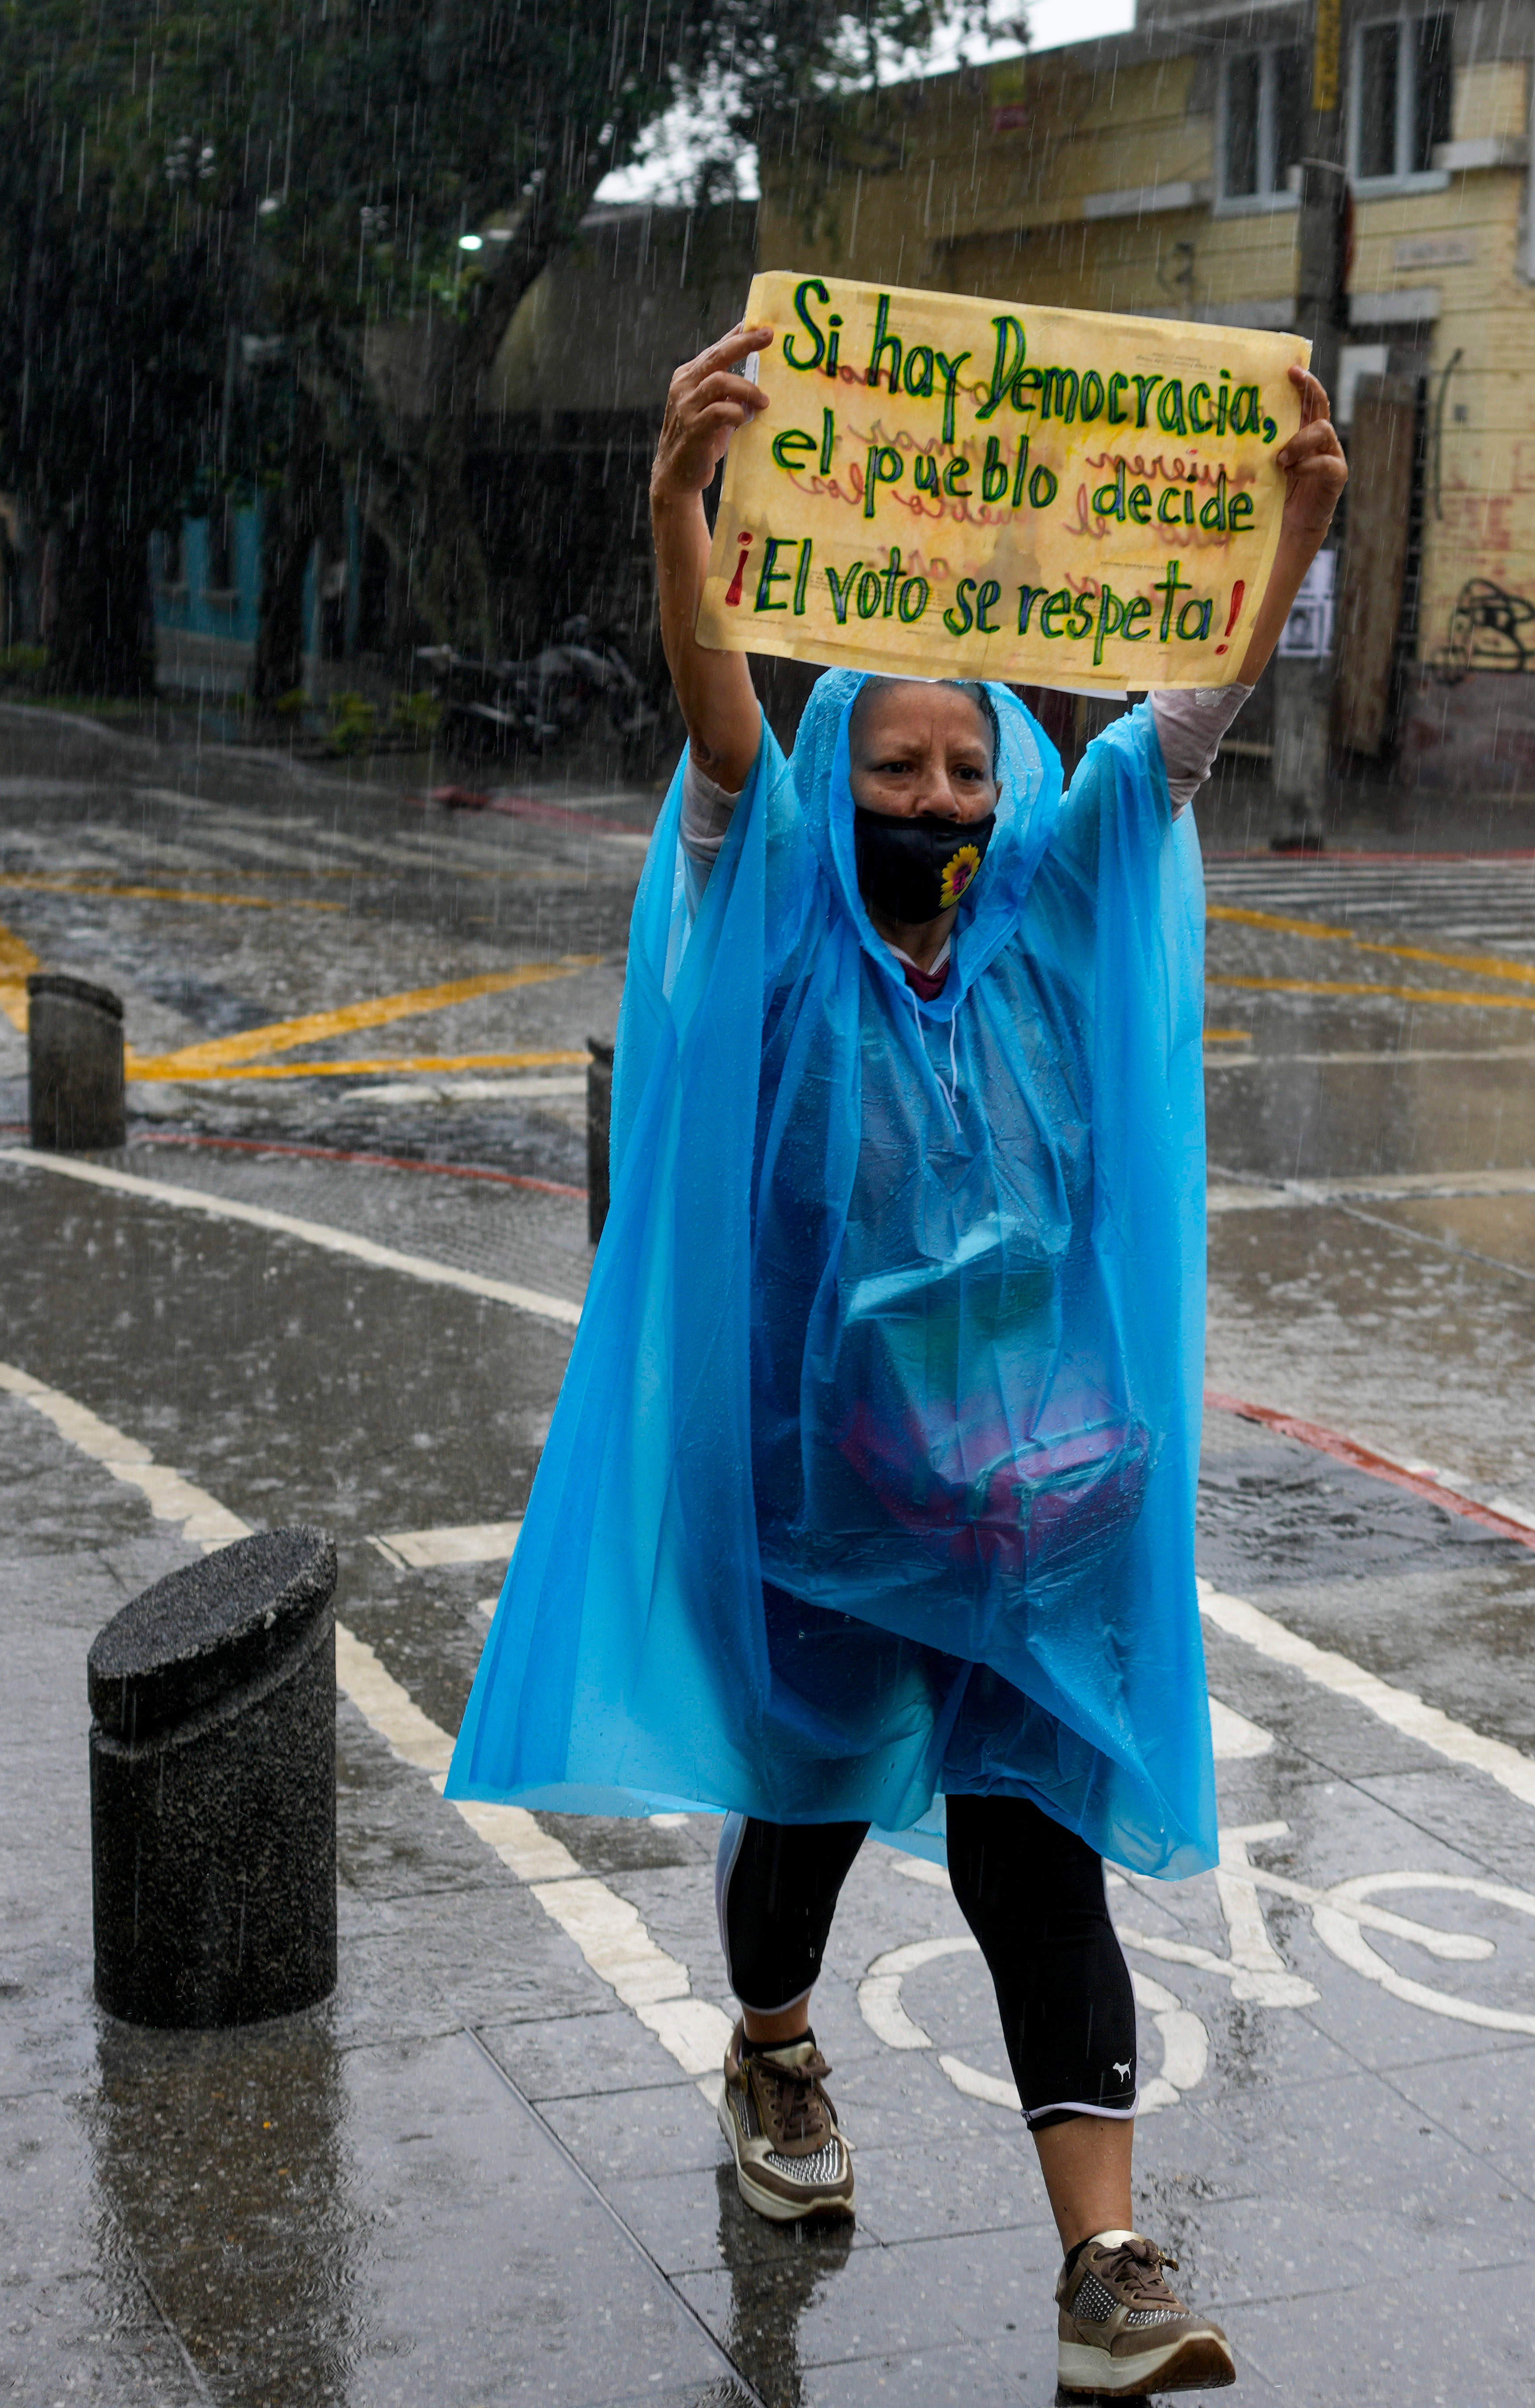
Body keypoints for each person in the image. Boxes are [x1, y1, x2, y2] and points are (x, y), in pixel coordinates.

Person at [447, 310, 1344, 2399]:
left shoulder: (1051, 899)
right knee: (814, 1812)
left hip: (1041, 1502)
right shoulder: (770, 900)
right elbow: (723, 726)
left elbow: (1183, 729)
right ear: (838, 778)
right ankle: (771, 2046)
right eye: (894, 766)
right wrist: (683, 505)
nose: (933, 793)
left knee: (1036, 1842)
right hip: (829, 1493)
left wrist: (1280, 540)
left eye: (964, 764)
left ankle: (1106, 2265)